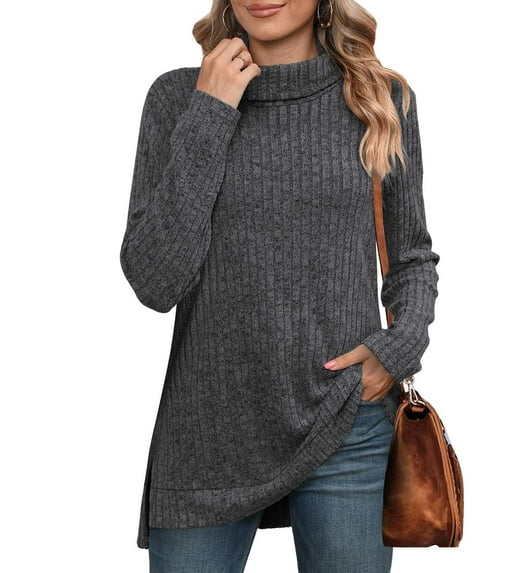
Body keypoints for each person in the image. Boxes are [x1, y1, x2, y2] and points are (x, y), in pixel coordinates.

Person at [119, 0, 440, 571]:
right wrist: (211, 112)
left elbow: (411, 255)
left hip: (345, 419)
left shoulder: (380, 98)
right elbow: (154, 281)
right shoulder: (178, 98)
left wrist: (397, 349)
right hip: (206, 432)